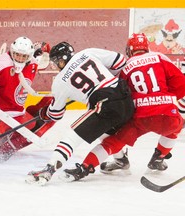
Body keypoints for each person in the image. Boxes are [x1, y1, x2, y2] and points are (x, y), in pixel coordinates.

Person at [57, 33, 185, 183]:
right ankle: (159, 157)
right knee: (176, 127)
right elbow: (181, 85)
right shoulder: (159, 57)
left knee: (113, 142)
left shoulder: (125, 67)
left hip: (139, 117)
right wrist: (164, 98)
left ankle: (84, 167)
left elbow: (122, 95)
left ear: (129, 50)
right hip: (165, 112)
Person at [26, 41, 135, 185]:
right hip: (126, 99)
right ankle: (120, 159)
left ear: (62, 59)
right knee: (105, 133)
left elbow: (56, 114)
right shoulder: (87, 52)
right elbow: (120, 62)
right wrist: (107, 80)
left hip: (105, 104)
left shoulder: (59, 81)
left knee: (71, 136)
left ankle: (49, 169)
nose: (55, 65)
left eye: (55, 62)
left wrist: (45, 113)